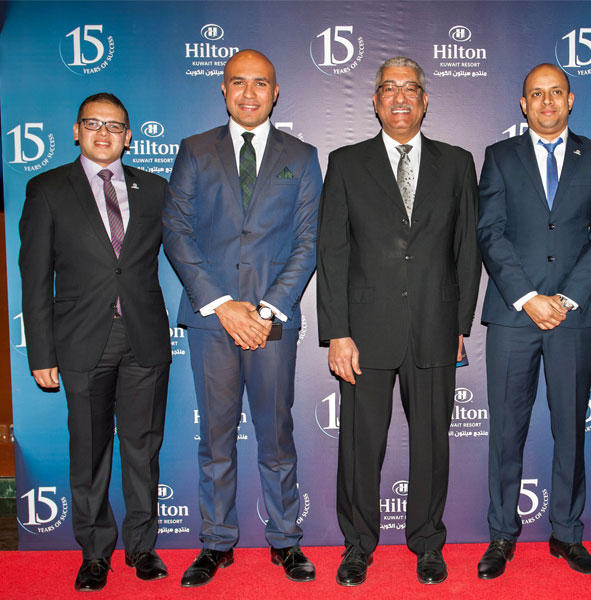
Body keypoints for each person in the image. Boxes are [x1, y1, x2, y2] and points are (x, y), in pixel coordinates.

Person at [316, 56, 481, 586]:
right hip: (363, 332)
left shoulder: (457, 163)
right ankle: (358, 545)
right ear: (375, 101)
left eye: (411, 88)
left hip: (435, 325)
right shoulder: (346, 163)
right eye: (389, 88)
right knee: (360, 446)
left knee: (432, 444)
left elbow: (467, 248)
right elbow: (332, 252)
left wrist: (460, 324)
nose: (400, 97)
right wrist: (337, 331)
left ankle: (428, 543)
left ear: (425, 101)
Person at [162, 49, 322, 586]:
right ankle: (215, 543)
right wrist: (223, 304)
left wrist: (267, 307)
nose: (249, 93)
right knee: (215, 439)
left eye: (260, 83)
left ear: (275, 92)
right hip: (212, 320)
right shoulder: (194, 150)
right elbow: (176, 231)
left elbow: (308, 240)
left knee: (276, 436)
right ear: (223, 89)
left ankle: (285, 541)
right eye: (238, 82)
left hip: (273, 320)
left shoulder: (302, 156)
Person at [19, 93, 171, 591]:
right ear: (76, 131)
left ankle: (143, 547)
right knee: (88, 451)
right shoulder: (47, 189)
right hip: (82, 340)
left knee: (142, 448)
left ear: (129, 137)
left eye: (114, 126)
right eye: (93, 123)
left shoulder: (155, 189)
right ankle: (94, 553)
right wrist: (41, 352)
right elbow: (34, 278)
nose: (104, 133)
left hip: (144, 337)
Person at [476, 63, 591, 579]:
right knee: (505, 432)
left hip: (573, 318)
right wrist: (529, 297)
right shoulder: (499, 157)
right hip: (513, 316)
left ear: (571, 99)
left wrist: (568, 298)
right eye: (536, 94)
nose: (547, 101)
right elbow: (489, 232)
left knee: (571, 431)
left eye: (556, 92)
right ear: (523, 104)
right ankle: (501, 535)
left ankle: (567, 533)